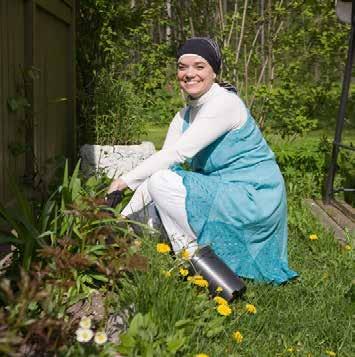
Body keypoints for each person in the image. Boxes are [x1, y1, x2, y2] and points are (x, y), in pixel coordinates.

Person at [108, 37, 298, 284]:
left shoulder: (225, 104)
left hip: (255, 197)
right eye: (182, 67)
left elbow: (176, 156)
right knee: (144, 218)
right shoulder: (183, 115)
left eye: (199, 66)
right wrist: (122, 217)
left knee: (161, 185)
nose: (189, 74)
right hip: (223, 192)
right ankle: (192, 259)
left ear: (214, 72)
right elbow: (164, 165)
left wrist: (122, 182)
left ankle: (201, 269)